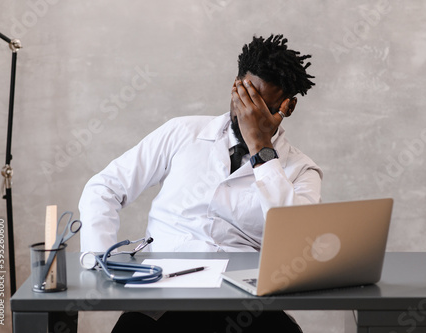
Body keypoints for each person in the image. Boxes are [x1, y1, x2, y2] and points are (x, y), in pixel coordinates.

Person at [79, 34, 323, 333]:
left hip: (248, 303)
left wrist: (261, 148)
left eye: (263, 107)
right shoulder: (182, 132)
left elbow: (297, 241)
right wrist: (104, 262)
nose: (248, 113)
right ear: (234, 85)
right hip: (165, 295)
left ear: (288, 106)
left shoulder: (301, 168)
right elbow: (104, 188)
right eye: (245, 98)